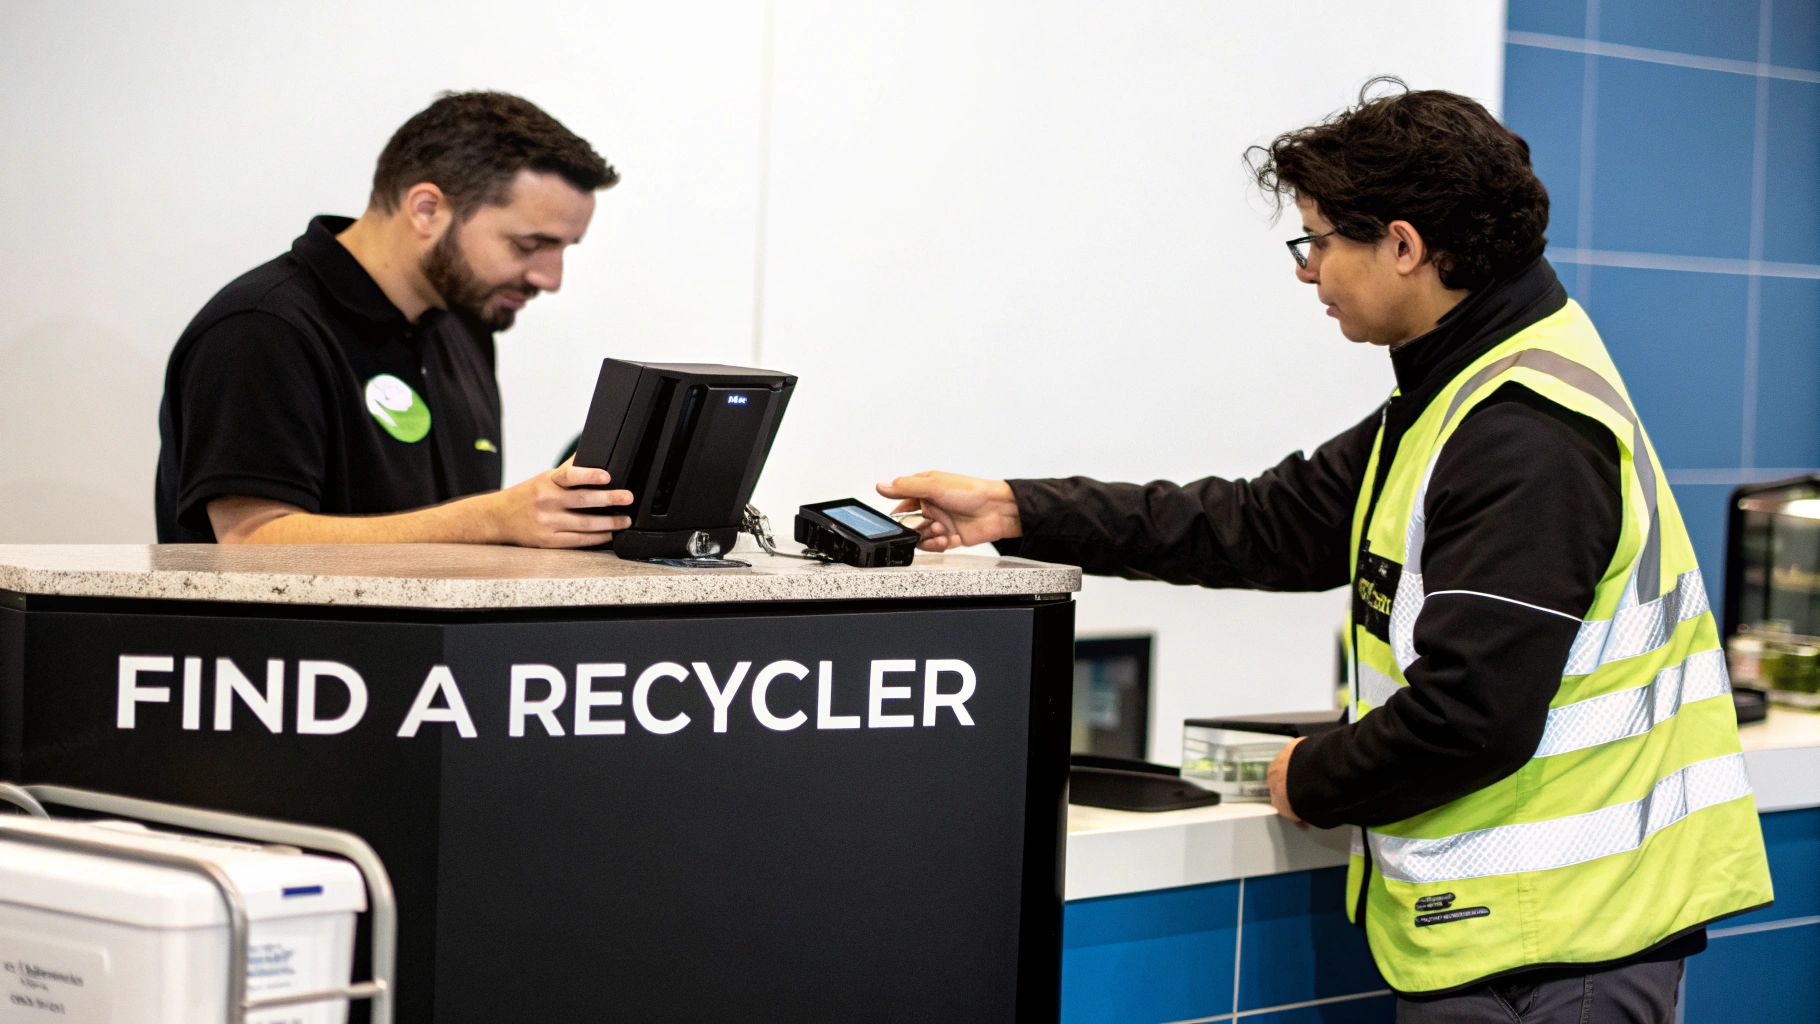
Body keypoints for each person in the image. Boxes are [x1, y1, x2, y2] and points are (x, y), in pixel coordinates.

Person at [879, 81, 1773, 1023]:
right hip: (1526, 939)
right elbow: (1266, 522)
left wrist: (1310, 775)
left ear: (1402, 245)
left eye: (1318, 242)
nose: (1308, 272)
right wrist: (1015, 510)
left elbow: (1472, 718)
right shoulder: (1457, 393)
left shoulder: (1522, 433)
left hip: (1563, 954)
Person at [155, 91, 634, 546]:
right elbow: (250, 541)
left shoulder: (462, 327)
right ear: (427, 210)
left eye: (564, 249)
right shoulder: (262, 328)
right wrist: (495, 518)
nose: (550, 278)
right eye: (529, 245)